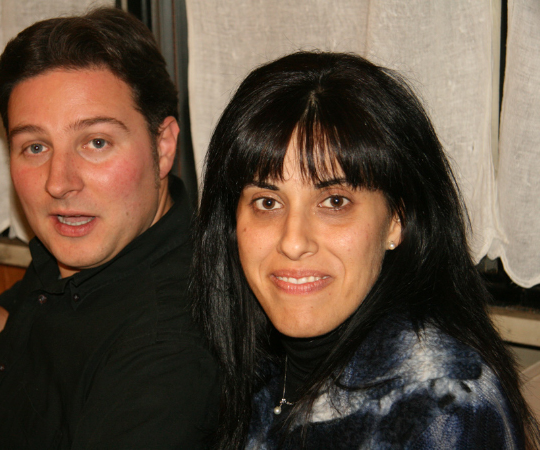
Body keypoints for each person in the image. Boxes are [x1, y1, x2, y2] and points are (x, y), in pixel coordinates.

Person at [0, 8, 218, 449]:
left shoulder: (167, 351)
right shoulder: (104, 242)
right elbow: (32, 313)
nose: (58, 182)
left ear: (162, 146)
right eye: (35, 147)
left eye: (96, 142)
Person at [191, 51, 539, 449]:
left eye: (335, 202)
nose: (293, 242)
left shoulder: (440, 407)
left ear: (396, 219)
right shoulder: (247, 364)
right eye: (268, 202)